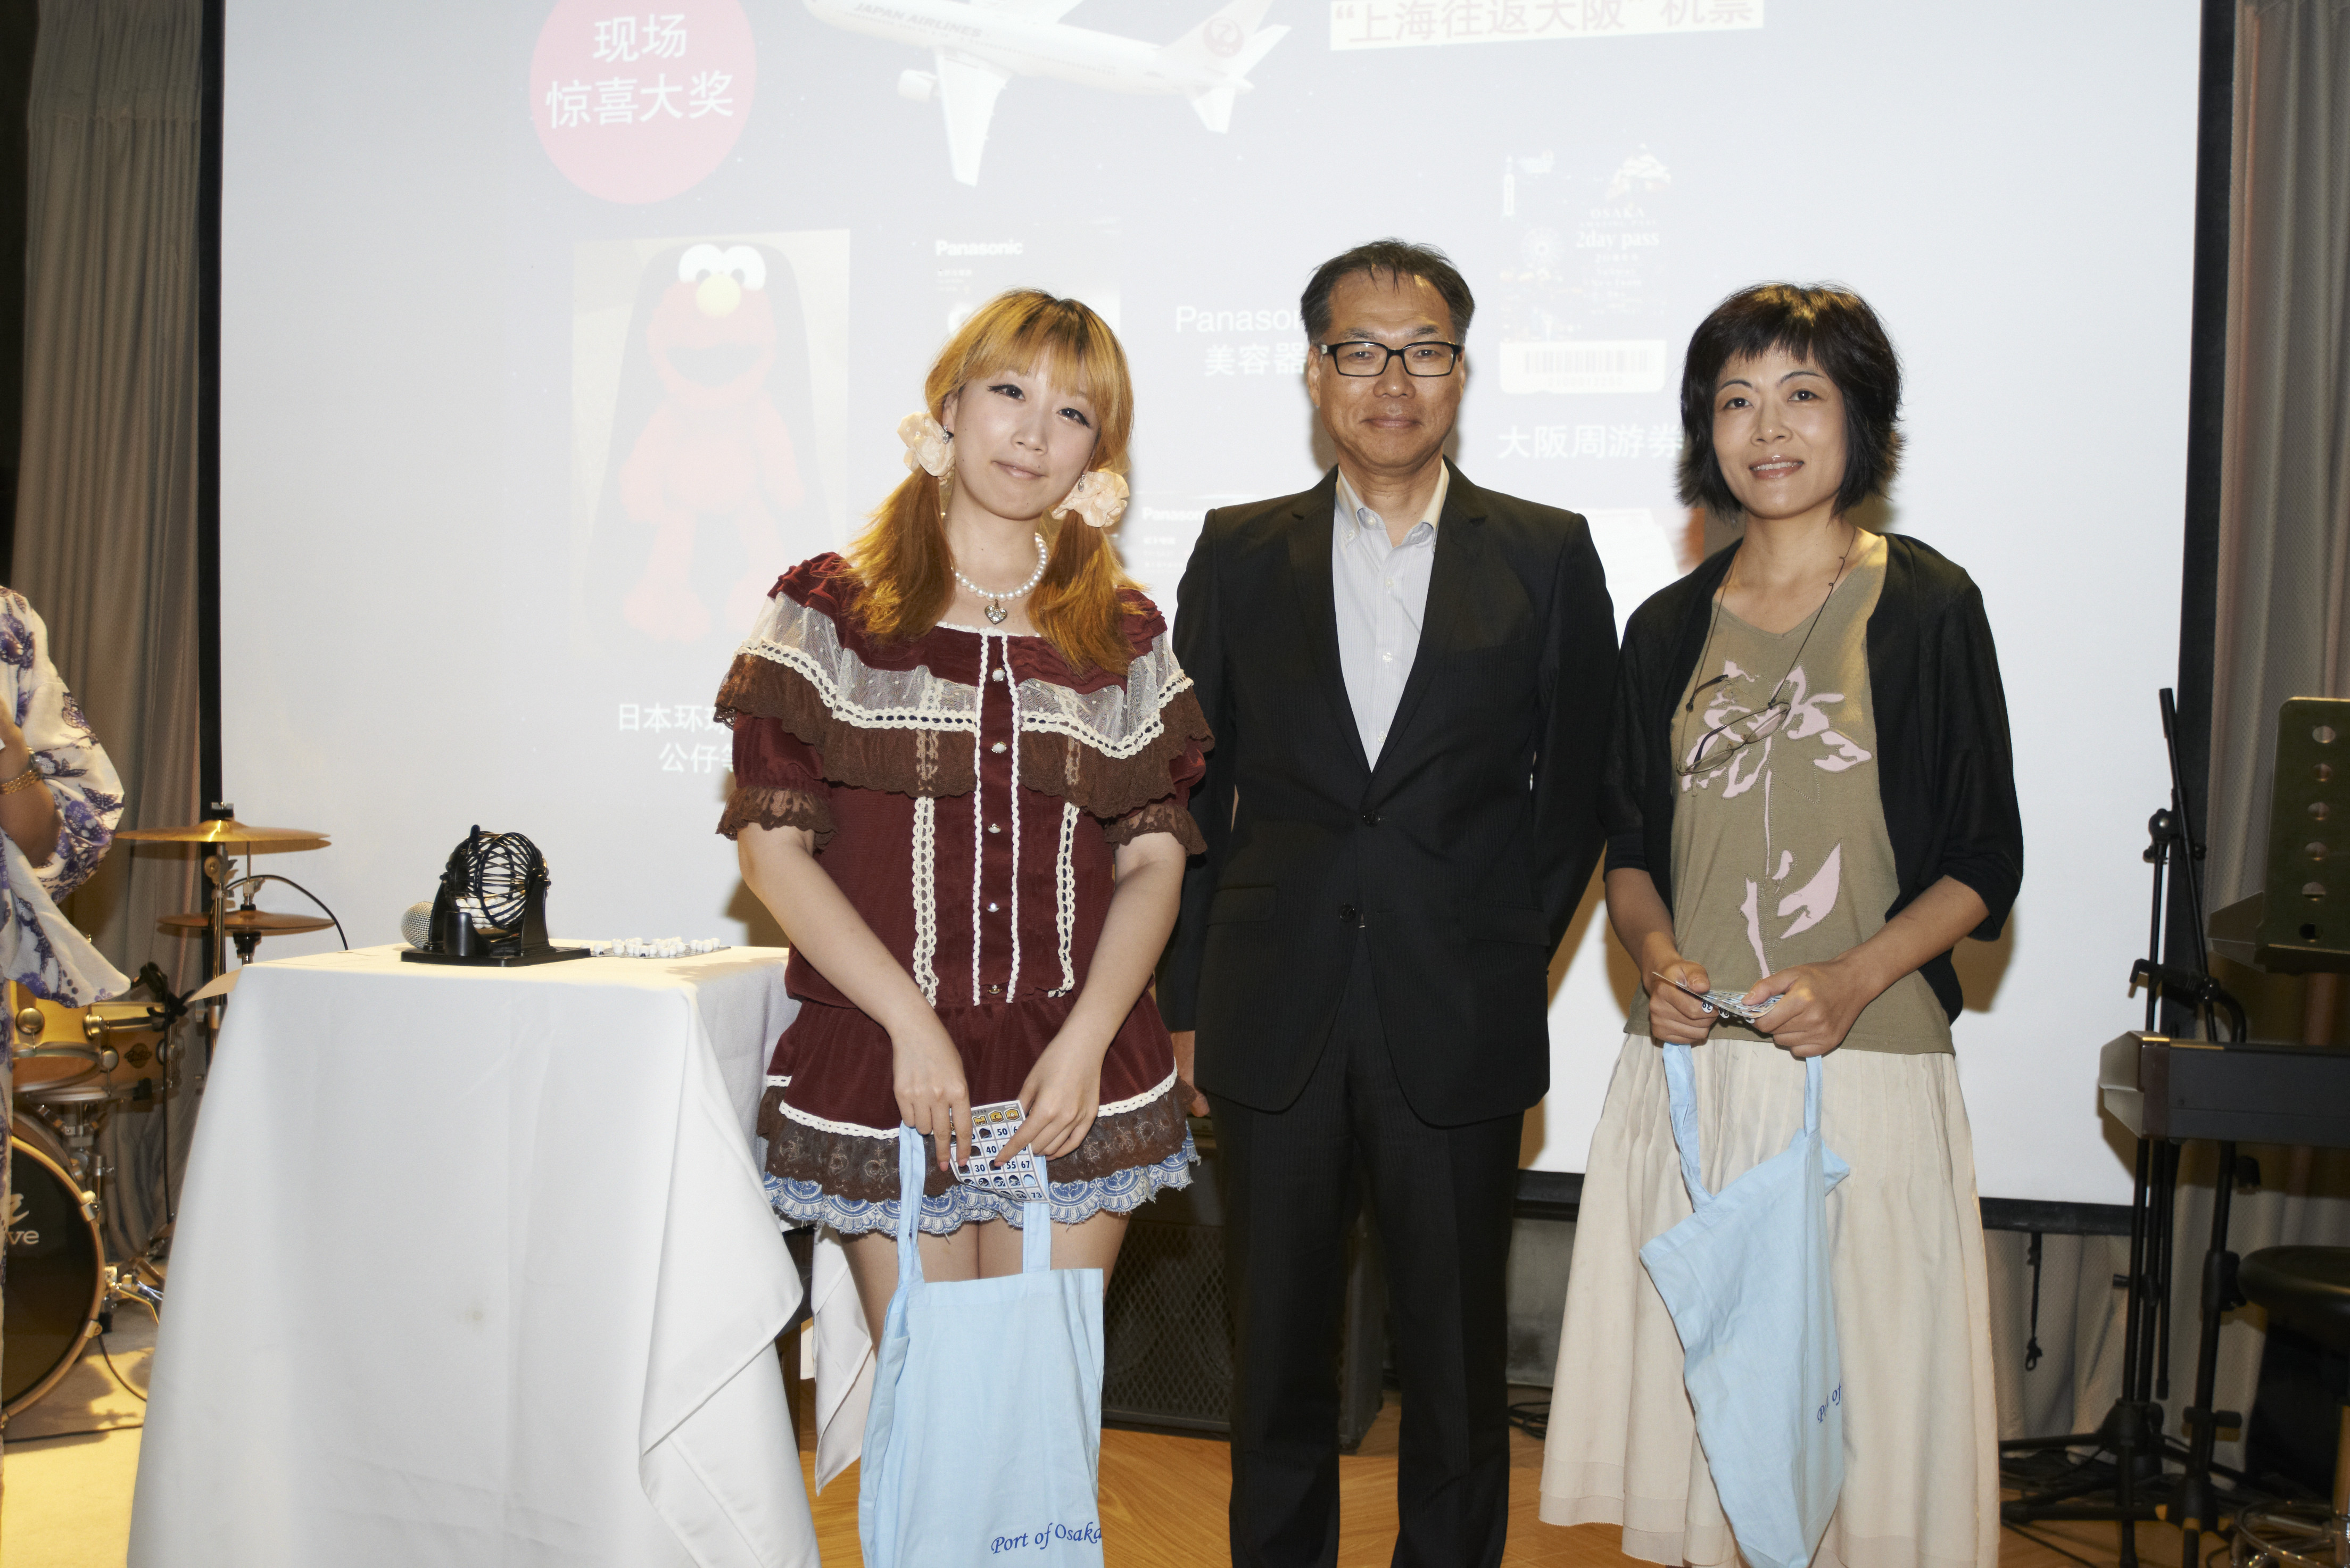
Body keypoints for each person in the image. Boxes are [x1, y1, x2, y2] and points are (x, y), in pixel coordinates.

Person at [1537, 283, 2023, 1568]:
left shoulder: (1927, 607)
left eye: (1804, 394)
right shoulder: (1665, 628)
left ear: (1862, 420)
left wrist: (1855, 978)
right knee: (1713, 1463)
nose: (1769, 428)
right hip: (1699, 1083)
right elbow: (1632, 856)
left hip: (1868, 1075)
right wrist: (1655, 960)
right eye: (1736, 399)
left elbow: (1986, 862)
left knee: (1867, 1448)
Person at [1159, 238, 1618, 1568]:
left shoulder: (1546, 552)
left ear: (1462, 373)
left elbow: (1575, 795)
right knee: (1276, 1356)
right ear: (1316, 373)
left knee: (1458, 1364)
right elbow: (1190, 794)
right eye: (1360, 351)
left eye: (1423, 351)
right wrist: (1185, 1003)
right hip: (1273, 1011)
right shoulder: (1239, 550)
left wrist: (1499, 955)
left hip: (1457, 1012)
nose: (1393, 381)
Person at [717, 290, 1210, 1344]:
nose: (1033, 434)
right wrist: (910, 1023)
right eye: (1009, 393)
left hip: (1074, 1063)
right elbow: (772, 849)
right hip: (888, 1054)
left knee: (1041, 1400)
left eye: (1073, 414)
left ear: (1097, 457)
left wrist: (1088, 1041)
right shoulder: (830, 612)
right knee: (935, 1389)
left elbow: (1153, 864)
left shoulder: (1122, 634)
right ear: (948, 407)